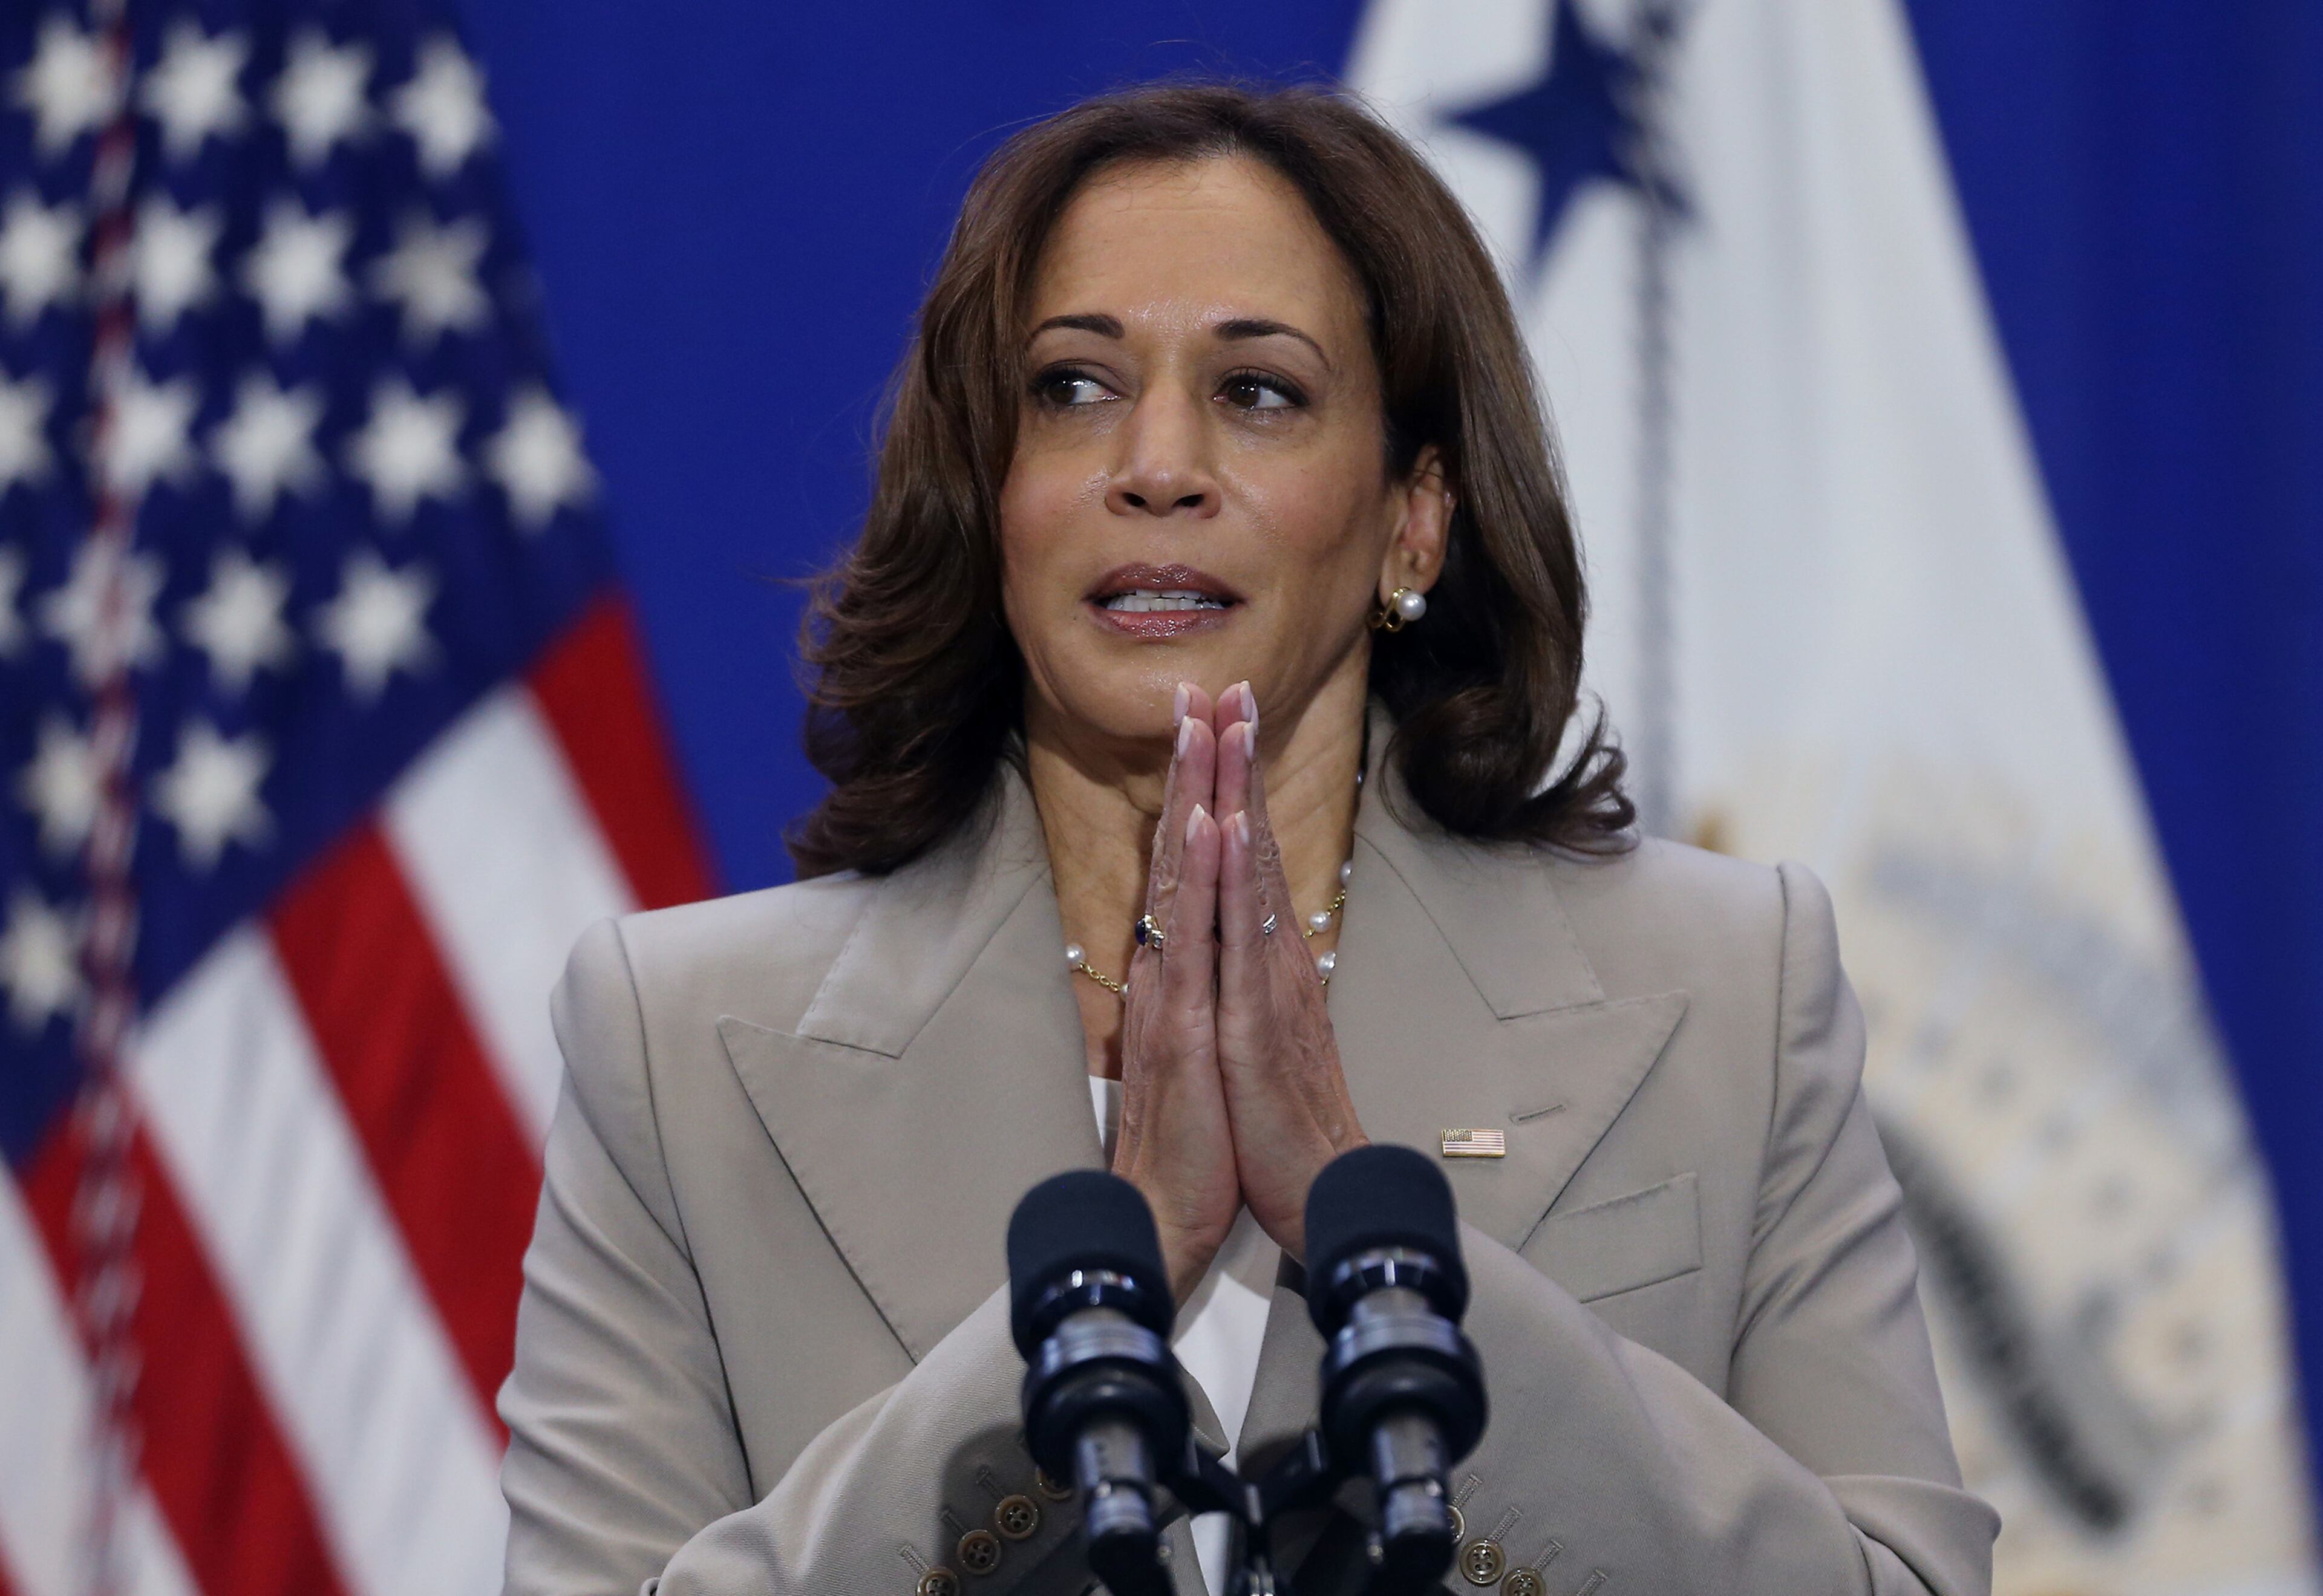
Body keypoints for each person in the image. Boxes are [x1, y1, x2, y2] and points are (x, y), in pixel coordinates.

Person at [497, 81, 1998, 1596]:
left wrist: (1413, 1285)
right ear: (993, 495)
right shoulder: (676, 1048)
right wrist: (1107, 1287)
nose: (1156, 463)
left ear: (1416, 518)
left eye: (1260, 393)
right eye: (1073, 389)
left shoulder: (1733, 994)